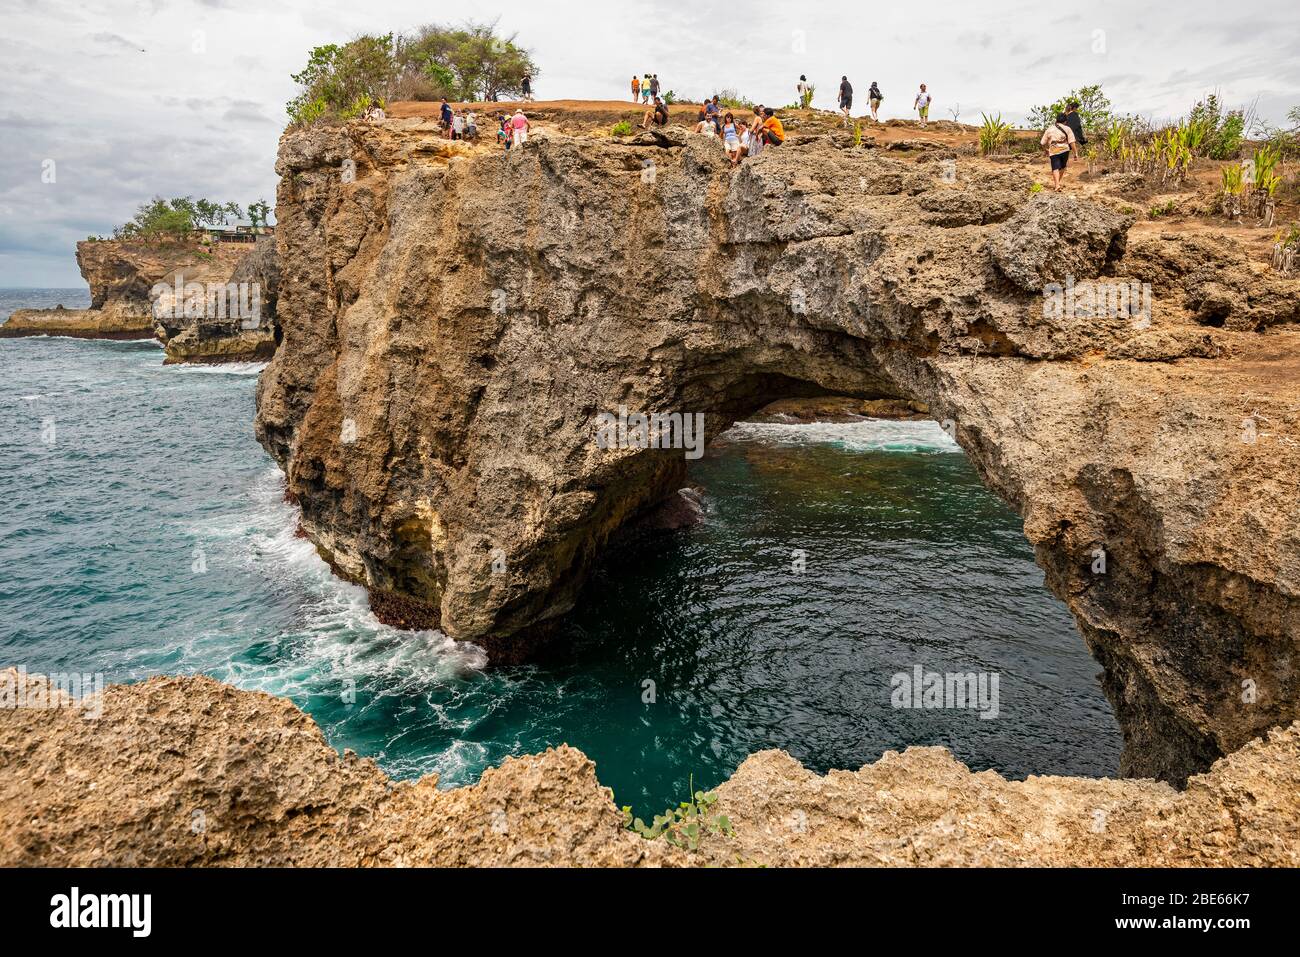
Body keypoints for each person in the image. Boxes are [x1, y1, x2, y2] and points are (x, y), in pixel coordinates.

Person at [1040, 112, 1076, 191]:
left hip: (1053, 150)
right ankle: (1057, 184)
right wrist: (1075, 153)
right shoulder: (1068, 129)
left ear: (1056, 120)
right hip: (1065, 150)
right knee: (1063, 167)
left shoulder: (1050, 129)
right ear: (1065, 121)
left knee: (1055, 167)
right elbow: (1072, 142)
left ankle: (1057, 185)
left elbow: (1042, 143)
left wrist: (1046, 150)